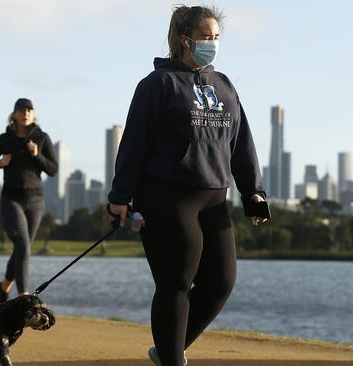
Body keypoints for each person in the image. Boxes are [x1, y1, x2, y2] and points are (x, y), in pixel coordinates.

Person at [107, 6, 269, 366]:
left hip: (215, 199)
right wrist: (120, 197)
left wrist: (253, 191)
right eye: (206, 37)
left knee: (221, 283)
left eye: (216, 38)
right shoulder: (158, 85)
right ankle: (172, 358)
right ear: (185, 40)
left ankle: (167, 350)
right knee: (176, 283)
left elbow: (241, 142)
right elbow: (134, 143)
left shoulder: (224, 85)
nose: (212, 44)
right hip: (167, 197)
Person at [0, 98, 58, 303]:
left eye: (29, 110)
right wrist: (0, 162)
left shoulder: (42, 138)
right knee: (24, 245)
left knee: (21, 247)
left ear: (33, 114)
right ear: (14, 114)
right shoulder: (4, 139)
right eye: (21, 110)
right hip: (11, 199)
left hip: (35, 201)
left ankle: (4, 287)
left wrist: (37, 155)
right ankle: (23, 296)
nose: (25, 113)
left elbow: (53, 169)